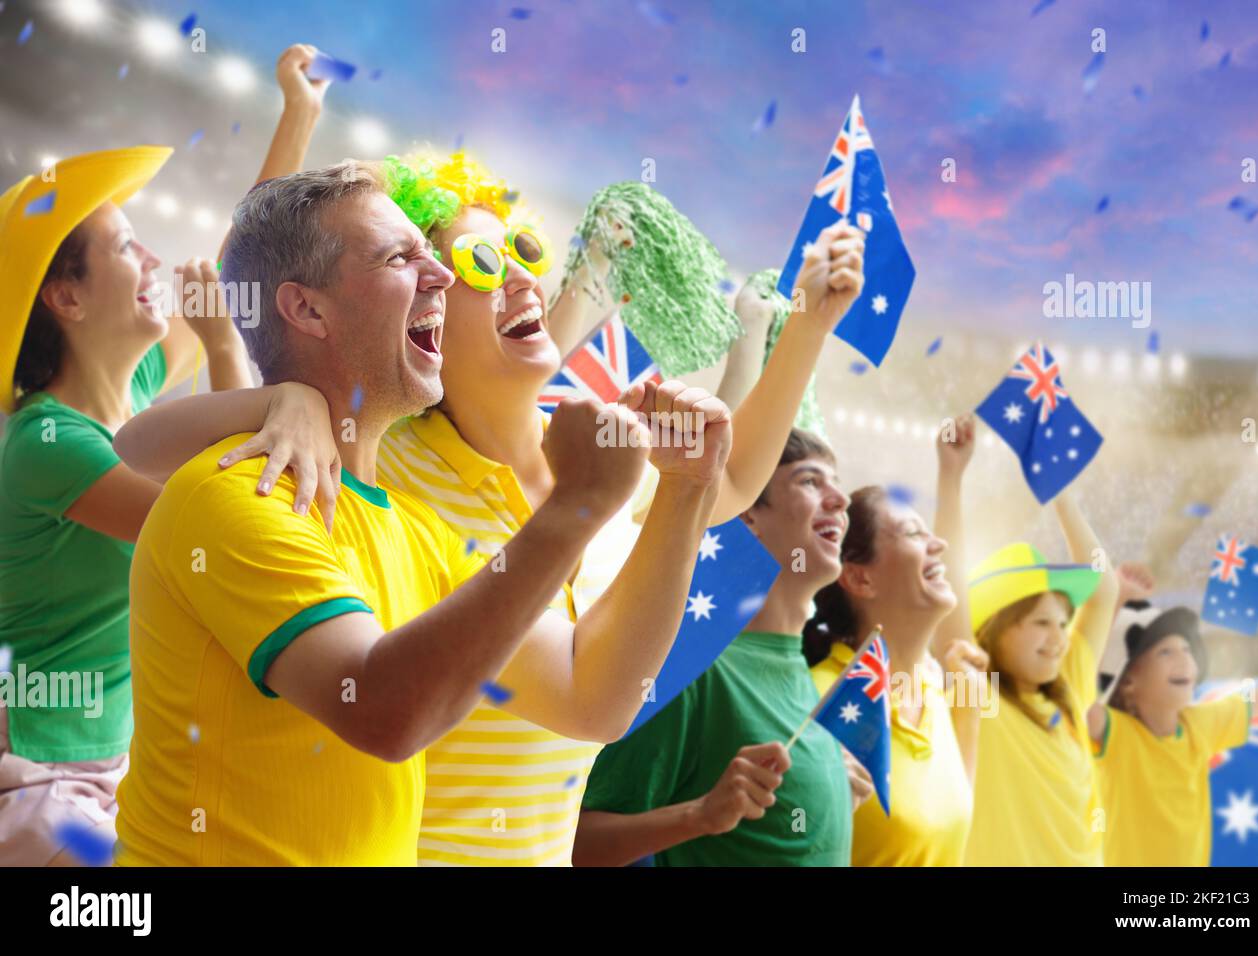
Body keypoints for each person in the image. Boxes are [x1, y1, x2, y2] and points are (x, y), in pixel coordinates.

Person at [113, 43, 866, 866]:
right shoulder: (340, 475)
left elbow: (594, 693)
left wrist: (686, 481)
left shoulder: (418, 525)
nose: (455, 275)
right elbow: (148, 436)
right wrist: (279, 397)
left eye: (524, 254)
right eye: (437, 259)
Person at [0, 146, 253, 866]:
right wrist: (227, 349)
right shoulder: (50, 444)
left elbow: (233, 259)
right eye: (123, 245)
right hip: (41, 781)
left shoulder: (133, 389)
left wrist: (299, 110)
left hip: (114, 765)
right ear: (67, 299)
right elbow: (233, 522)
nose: (153, 257)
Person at [573, 430, 872, 867]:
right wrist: (698, 815)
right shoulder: (695, 673)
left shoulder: (802, 674)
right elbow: (576, 844)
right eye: (811, 481)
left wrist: (827, 799)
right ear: (748, 511)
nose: (840, 499)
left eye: (836, 481)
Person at [803, 414, 988, 866]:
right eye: (912, 533)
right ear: (859, 578)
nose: (937, 545)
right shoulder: (819, 697)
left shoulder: (938, 694)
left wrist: (951, 475)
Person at [957, 493, 1119, 866]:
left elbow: (1104, 590)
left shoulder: (1068, 686)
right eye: (1041, 623)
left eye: (1062, 624)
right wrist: (952, 479)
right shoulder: (974, 698)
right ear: (995, 630)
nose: (1059, 639)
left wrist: (1065, 502)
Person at [1090, 605, 1258, 866]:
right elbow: (1081, 700)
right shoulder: (1117, 734)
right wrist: (1115, 596)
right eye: (1165, 652)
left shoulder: (1199, 724)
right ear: (1128, 682)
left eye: (1186, 649)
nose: (1184, 659)